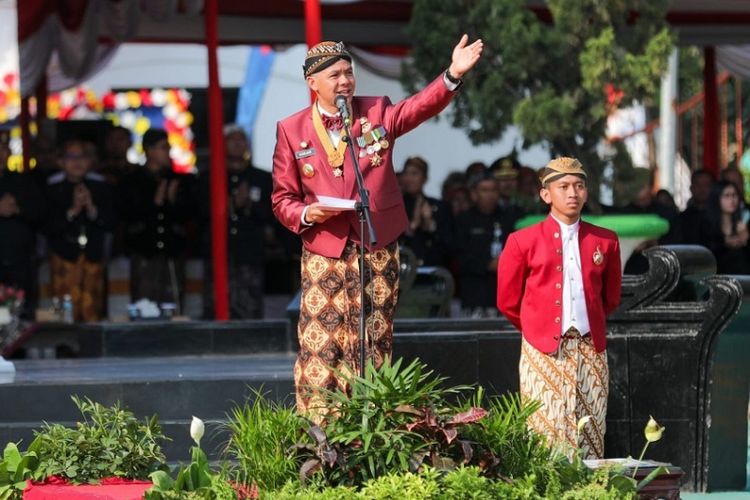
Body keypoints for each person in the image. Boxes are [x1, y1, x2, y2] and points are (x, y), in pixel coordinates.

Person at [271, 35, 483, 419]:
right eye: (334, 75)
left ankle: (370, 423)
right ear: (312, 83)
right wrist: (306, 214)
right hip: (325, 249)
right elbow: (282, 198)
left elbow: (418, 108)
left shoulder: (376, 111)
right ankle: (320, 428)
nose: (345, 81)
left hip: (376, 245)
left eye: (348, 73)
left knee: (374, 336)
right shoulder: (292, 129)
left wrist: (452, 75)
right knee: (323, 343)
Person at [496, 157, 622, 459]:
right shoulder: (521, 241)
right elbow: (507, 301)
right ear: (545, 194)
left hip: (590, 348)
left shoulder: (606, 241)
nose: (572, 193)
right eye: (563, 186)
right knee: (544, 430)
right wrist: (538, 329)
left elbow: (611, 298)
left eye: (579, 186)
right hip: (542, 350)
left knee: (591, 429)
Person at [200, 124, 275, 319]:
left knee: (249, 305)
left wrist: (248, 204)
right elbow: (199, 212)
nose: (237, 144)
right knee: (216, 305)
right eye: (231, 140)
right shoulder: (208, 178)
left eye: (241, 139)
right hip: (218, 251)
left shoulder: (262, 178)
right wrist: (230, 204)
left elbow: (272, 213)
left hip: (249, 252)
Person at [119, 128, 193, 310]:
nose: (167, 152)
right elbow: (127, 213)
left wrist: (173, 200)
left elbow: (190, 215)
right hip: (144, 249)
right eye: (162, 147)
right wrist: (156, 201)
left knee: (173, 302)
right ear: (149, 150)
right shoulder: (132, 181)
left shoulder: (178, 180)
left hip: (172, 250)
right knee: (145, 305)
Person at [44, 139, 116, 322]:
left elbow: (111, 222)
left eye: (82, 157)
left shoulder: (102, 188)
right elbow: (47, 226)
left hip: (92, 257)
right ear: (61, 162)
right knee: (64, 313)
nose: (77, 162)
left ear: (90, 161)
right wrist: (73, 210)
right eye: (71, 157)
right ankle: (65, 349)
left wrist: (91, 208)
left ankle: (93, 348)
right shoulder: (52, 189)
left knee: (93, 307)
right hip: (64, 257)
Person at [455, 169, 513, 318]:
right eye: (484, 190)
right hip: (474, 298)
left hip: (505, 299)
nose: (490, 195)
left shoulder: (509, 218)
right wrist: (488, 264)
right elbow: (459, 257)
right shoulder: (463, 221)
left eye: (493, 190)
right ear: (474, 194)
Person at [399, 156, 454, 267]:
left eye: (414, 174)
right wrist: (414, 224)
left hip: (432, 270)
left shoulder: (440, 206)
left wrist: (430, 224)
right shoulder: (397, 207)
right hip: (404, 271)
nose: (409, 178)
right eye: (406, 174)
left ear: (425, 178)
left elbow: (450, 244)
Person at [702, 180, 750, 274]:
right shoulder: (706, 224)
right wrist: (724, 244)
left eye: (734, 195)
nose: (732, 200)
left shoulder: (744, 223)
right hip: (717, 277)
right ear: (716, 198)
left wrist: (746, 239)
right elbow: (704, 254)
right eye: (727, 195)